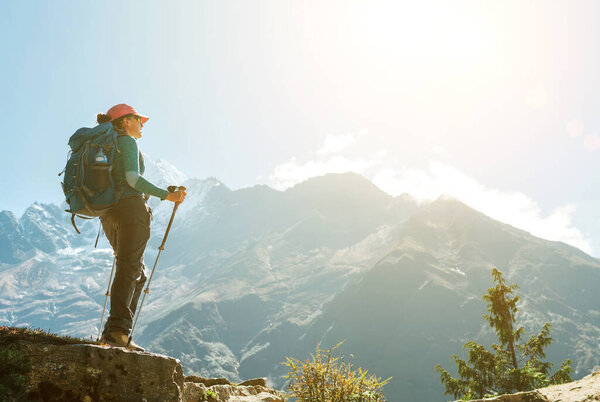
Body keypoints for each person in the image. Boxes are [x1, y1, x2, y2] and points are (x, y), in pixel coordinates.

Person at [96, 103, 186, 351]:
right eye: (138, 119)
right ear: (125, 121)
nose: (142, 124)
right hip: (131, 211)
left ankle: (113, 332)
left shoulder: (105, 145)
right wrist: (166, 196)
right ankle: (117, 332)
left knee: (136, 270)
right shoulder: (126, 142)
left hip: (108, 214)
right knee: (130, 268)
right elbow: (133, 180)